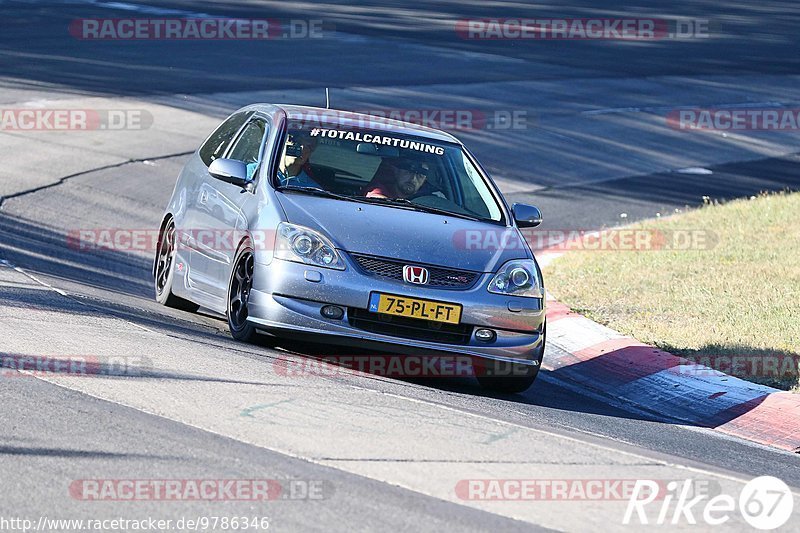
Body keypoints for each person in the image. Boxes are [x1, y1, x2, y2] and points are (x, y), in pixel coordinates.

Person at [364, 158, 430, 199]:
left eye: (420, 176)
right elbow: (375, 197)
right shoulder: (382, 189)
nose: (413, 179)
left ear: (425, 180)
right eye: (408, 172)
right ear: (396, 172)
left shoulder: (427, 200)